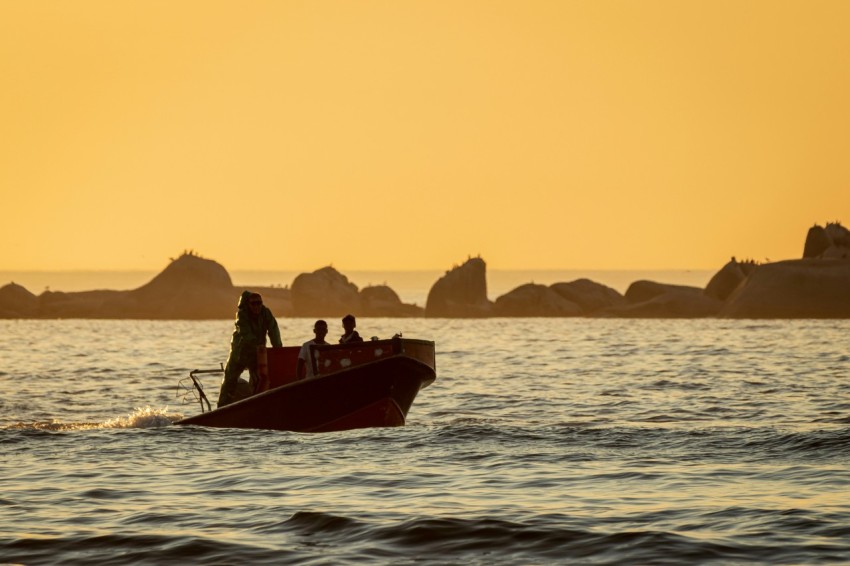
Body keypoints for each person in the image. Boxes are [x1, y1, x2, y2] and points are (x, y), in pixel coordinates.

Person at [217, 291, 282, 407]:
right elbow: (245, 332)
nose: (256, 306)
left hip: (258, 353)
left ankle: (257, 405)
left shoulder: (265, 313)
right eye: (253, 303)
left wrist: (278, 350)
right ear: (248, 304)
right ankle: (222, 407)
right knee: (230, 378)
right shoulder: (242, 315)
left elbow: (274, 330)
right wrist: (257, 344)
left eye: (259, 303)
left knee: (259, 378)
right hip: (239, 353)